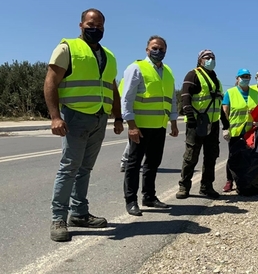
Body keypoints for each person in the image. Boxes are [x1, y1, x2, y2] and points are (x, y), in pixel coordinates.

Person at [44, 8, 124, 242]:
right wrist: (55, 117)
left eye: (99, 25)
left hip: (99, 118)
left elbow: (112, 88)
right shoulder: (67, 48)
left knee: (85, 169)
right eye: (91, 24)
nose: (95, 28)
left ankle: (79, 213)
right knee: (69, 167)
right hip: (75, 116)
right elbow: (50, 81)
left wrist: (117, 117)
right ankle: (58, 218)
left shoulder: (108, 55)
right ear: (81, 25)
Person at [121, 35, 179, 216]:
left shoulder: (168, 71)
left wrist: (173, 122)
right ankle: (131, 201)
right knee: (133, 164)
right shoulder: (137, 68)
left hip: (159, 126)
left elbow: (172, 99)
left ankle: (149, 196)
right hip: (140, 126)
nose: (158, 51)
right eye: (154, 47)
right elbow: (127, 98)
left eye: (161, 49)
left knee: (153, 163)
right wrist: (131, 125)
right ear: (147, 49)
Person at [175, 49, 229, 199]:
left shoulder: (217, 81)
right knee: (191, 156)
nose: (210, 59)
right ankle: (184, 187)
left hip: (213, 123)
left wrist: (225, 123)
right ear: (200, 60)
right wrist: (190, 117)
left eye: (212, 57)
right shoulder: (193, 75)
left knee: (211, 156)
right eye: (207, 57)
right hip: (197, 123)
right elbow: (185, 96)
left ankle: (206, 187)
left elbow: (219, 103)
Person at [222, 69, 258, 192]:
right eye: (243, 76)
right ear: (237, 78)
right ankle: (229, 181)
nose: (245, 79)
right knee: (233, 157)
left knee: (248, 157)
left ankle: (245, 181)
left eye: (247, 76)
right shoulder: (230, 93)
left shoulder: (255, 93)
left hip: (250, 131)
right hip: (235, 132)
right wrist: (225, 128)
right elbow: (224, 112)